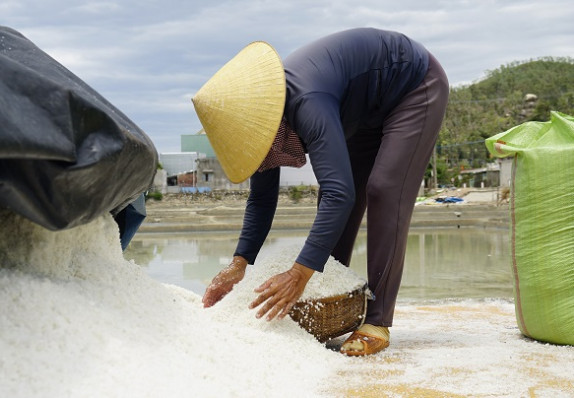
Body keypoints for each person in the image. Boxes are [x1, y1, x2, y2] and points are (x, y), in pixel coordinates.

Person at [192, 28, 449, 356]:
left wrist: (298, 272)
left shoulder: (305, 101)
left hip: (414, 86)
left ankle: (377, 321)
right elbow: (261, 197)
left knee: (383, 189)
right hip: (364, 113)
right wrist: (238, 263)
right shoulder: (261, 123)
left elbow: (338, 194)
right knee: (337, 201)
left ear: (262, 119)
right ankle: (331, 304)